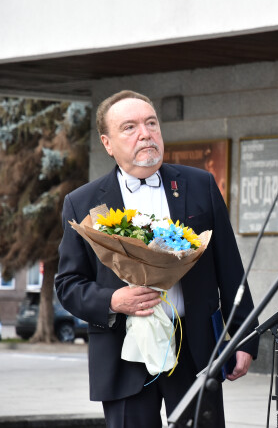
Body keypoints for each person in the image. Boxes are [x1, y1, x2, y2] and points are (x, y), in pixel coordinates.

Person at [56, 90, 258, 427]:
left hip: (194, 350)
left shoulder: (200, 184)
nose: (145, 133)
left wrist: (243, 337)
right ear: (108, 143)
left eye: (151, 123)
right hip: (124, 356)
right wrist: (113, 300)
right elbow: (68, 285)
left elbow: (230, 268)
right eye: (130, 127)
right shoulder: (83, 203)